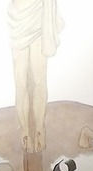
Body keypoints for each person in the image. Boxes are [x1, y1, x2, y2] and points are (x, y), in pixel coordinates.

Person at [8, 0, 64, 153]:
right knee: (21, 84)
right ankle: (25, 132)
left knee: (39, 81)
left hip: (38, 17)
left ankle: (39, 129)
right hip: (17, 19)